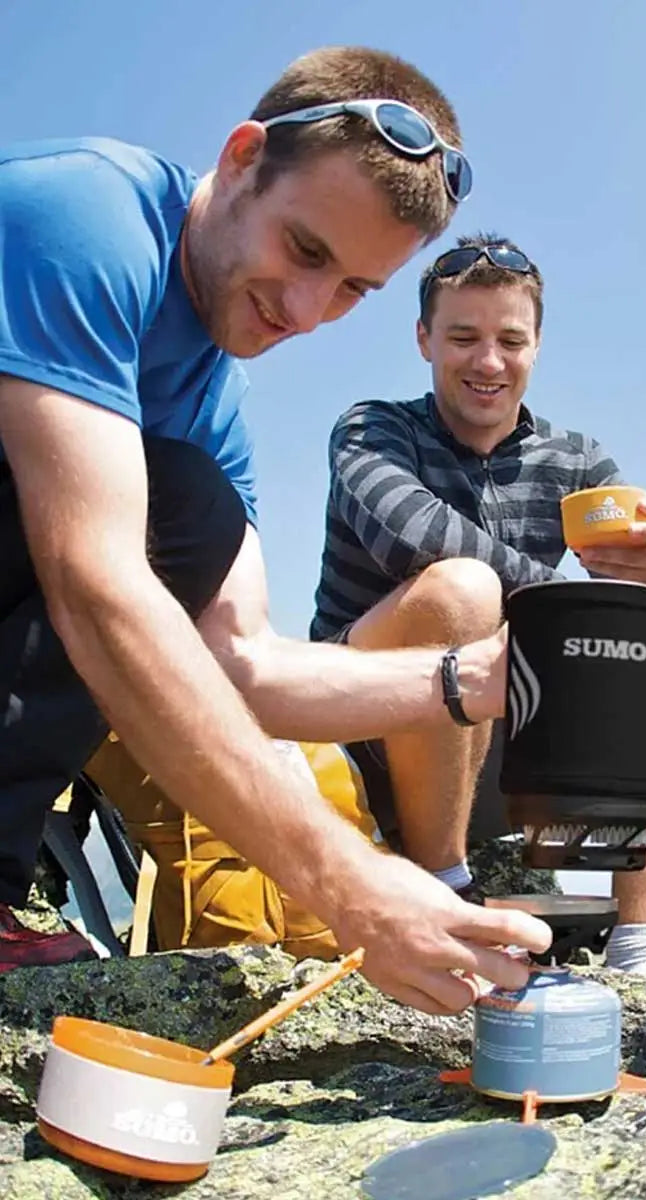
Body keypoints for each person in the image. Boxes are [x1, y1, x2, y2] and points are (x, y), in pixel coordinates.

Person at [0, 46, 551, 1003]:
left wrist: (474, 680)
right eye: (305, 250)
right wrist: (352, 888)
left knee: (191, 510)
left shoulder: (212, 399)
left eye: (352, 290)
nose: (304, 311)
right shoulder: (81, 217)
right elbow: (95, 590)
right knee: (177, 505)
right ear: (244, 157)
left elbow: (244, 664)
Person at [312, 233, 646, 974]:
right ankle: (445, 890)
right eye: (463, 338)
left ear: (537, 347)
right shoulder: (373, 429)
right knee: (461, 591)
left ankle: (643, 950)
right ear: (424, 339)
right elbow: (413, 540)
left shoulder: (578, 459)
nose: (489, 362)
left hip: (495, 743)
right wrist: (575, 603)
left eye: (510, 341)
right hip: (360, 725)